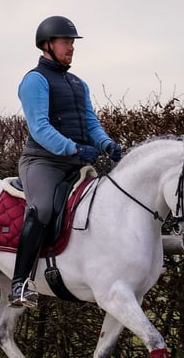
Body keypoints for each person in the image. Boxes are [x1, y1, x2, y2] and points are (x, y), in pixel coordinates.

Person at [9, 16, 122, 308]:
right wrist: (74, 149)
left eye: (72, 42)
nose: (71, 47)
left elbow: (90, 123)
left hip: (74, 162)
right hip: (43, 162)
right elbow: (40, 128)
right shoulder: (34, 80)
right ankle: (20, 284)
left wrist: (106, 143)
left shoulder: (77, 83)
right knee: (43, 208)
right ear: (47, 45)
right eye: (65, 42)